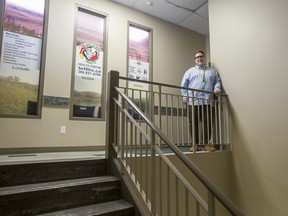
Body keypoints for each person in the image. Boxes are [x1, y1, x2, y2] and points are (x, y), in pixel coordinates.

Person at [181, 50, 221, 152]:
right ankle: (195, 144)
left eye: (201, 56)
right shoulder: (189, 71)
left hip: (207, 101)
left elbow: (217, 81)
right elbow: (184, 85)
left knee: (208, 123)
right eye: (197, 57)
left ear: (204, 58)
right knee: (193, 123)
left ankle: (206, 144)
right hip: (193, 101)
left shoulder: (212, 71)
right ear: (195, 60)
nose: (200, 58)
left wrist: (217, 89)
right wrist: (184, 96)